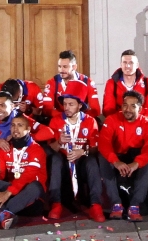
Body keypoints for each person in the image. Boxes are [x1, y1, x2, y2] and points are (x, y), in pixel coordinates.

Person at [0, 116, 47, 230]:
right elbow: (1, 177)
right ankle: (3, 213)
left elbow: (28, 176)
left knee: (35, 186)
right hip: (12, 191)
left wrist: (8, 193)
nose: (15, 128)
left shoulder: (36, 149)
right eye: (13, 125)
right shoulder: (6, 148)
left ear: (28, 129)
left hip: (29, 197)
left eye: (20, 125)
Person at [47, 80, 105, 222]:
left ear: (80, 105)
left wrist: (82, 151)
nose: (66, 107)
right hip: (63, 166)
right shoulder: (55, 121)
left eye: (71, 104)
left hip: (80, 165)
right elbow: (51, 148)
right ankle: (56, 204)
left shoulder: (90, 121)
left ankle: (96, 205)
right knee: (55, 159)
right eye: (65, 104)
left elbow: (94, 148)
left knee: (91, 161)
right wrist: (59, 141)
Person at [98, 91, 148, 221]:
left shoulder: (147, 123)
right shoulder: (112, 119)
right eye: (125, 105)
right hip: (117, 158)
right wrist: (115, 161)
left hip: (135, 159)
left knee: (147, 161)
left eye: (133, 106)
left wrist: (136, 163)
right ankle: (116, 204)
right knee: (103, 156)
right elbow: (103, 142)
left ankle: (135, 205)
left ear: (140, 109)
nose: (127, 109)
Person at [0, 91, 54, 175]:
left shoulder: (21, 119)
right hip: (0, 159)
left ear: (12, 106)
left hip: (19, 156)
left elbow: (49, 132)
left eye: (2, 105)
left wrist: (25, 136)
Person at [103, 50, 148, 121]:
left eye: (131, 63)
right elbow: (108, 110)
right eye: (125, 62)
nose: (127, 66)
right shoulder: (111, 83)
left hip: (143, 124)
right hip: (119, 125)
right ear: (121, 64)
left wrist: (142, 122)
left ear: (137, 65)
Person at [42, 50, 101, 118]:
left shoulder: (88, 82)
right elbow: (47, 110)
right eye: (59, 66)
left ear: (74, 67)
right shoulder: (52, 82)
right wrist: (66, 118)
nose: (61, 70)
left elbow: (96, 110)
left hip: (82, 119)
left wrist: (79, 118)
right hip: (59, 119)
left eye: (65, 67)